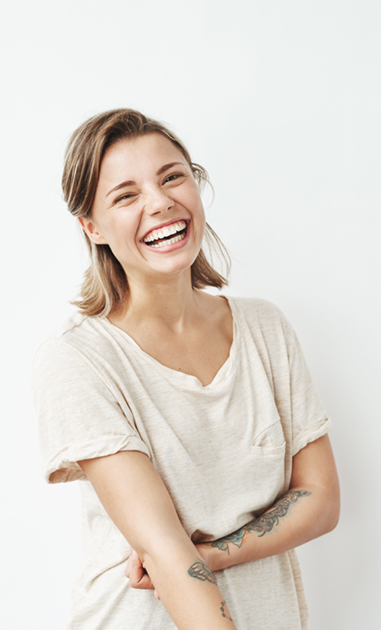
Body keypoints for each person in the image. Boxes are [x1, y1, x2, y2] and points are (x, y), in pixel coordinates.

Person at [32, 109, 340, 629]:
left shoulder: (264, 329)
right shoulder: (79, 359)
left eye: (172, 176)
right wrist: (195, 557)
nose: (160, 202)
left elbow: (321, 497)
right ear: (92, 227)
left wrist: (217, 553)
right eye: (125, 195)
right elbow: (164, 551)